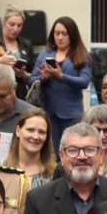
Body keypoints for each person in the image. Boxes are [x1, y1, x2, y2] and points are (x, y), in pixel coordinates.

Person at [32, 16, 93, 148]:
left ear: (72, 35)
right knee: (51, 150)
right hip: (49, 110)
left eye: (64, 34)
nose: (60, 37)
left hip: (71, 112)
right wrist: (43, 77)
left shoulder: (82, 55)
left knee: (71, 147)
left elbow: (84, 81)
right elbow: (32, 79)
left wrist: (61, 76)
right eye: (57, 33)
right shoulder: (44, 54)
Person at [0, 110, 57, 214]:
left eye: (41, 132)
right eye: (30, 130)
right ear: (18, 131)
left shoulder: (56, 173)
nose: (36, 136)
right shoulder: (0, 171)